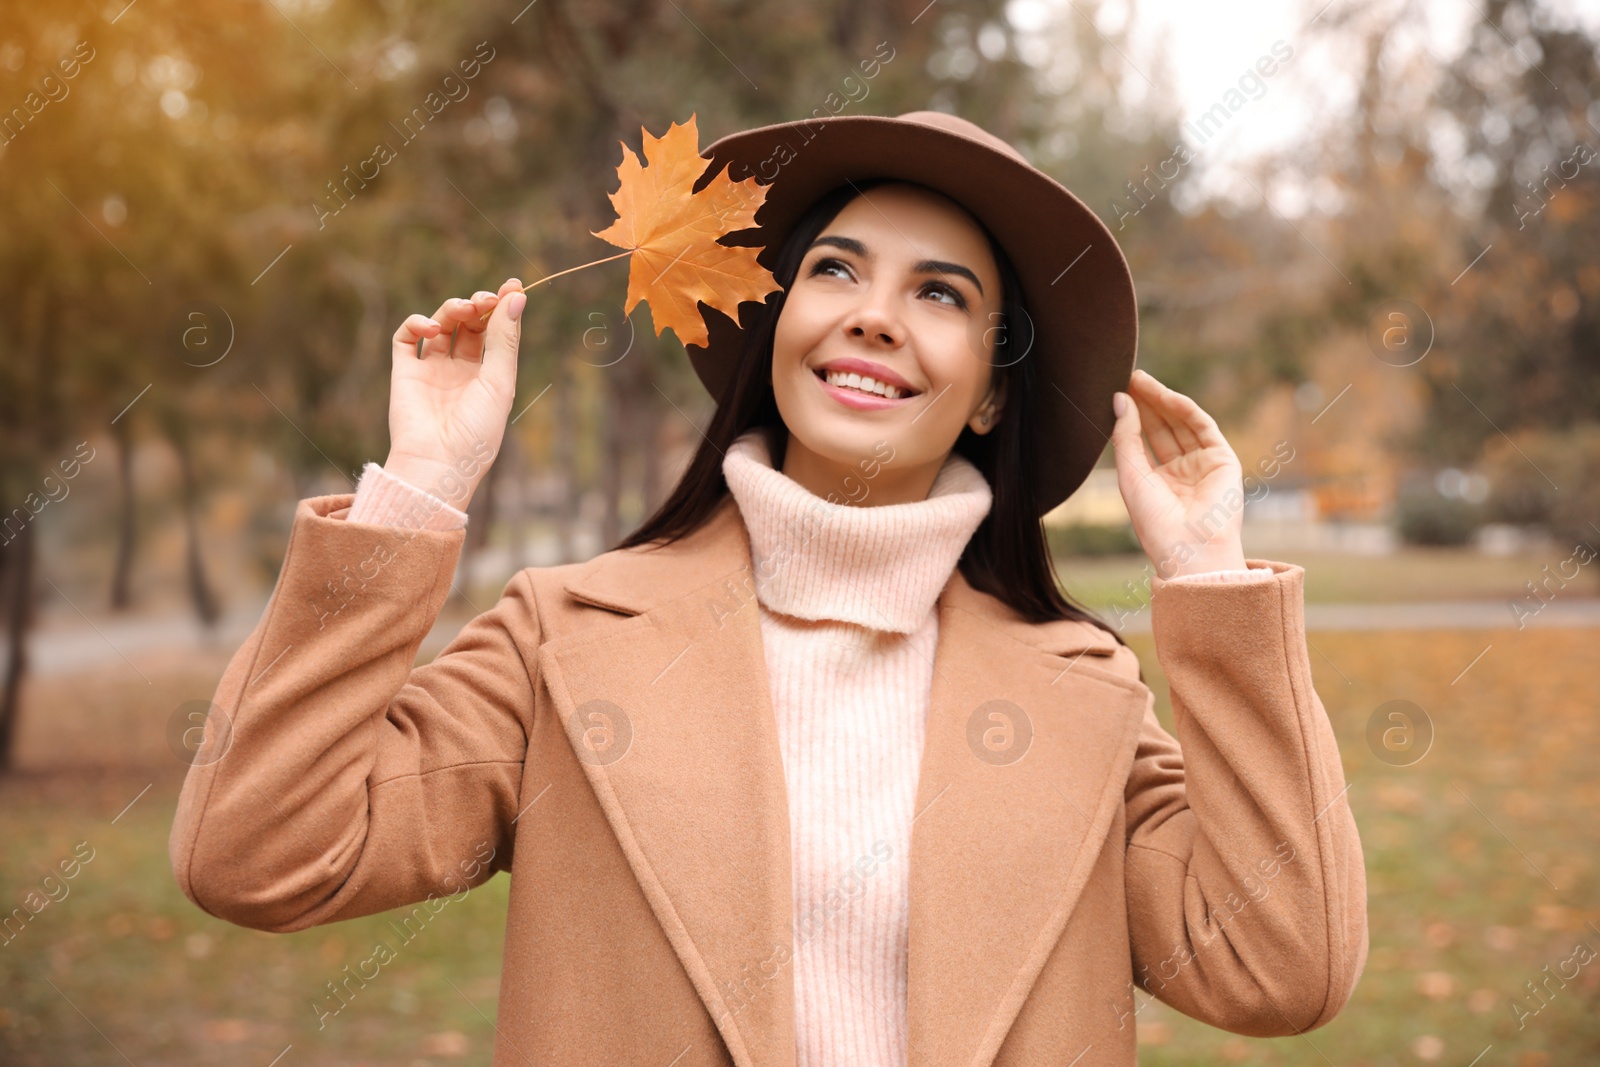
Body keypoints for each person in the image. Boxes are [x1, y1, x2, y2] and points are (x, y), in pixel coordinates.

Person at [170, 110, 1367, 1067]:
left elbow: (1285, 962)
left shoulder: (1087, 697)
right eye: (834, 270)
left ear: (991, 392)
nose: (873, 317)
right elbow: (260, 848)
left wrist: (1210, 577)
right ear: (775, 322)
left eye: (941, 293)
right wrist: (421, 486)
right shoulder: (563, 638)